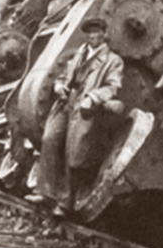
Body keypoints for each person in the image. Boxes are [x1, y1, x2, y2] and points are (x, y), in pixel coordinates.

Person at [29, 16, 125, 216]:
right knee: (49, 139)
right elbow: (64, 74)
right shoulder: (80, 53)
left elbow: (112, 86)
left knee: (74, 154)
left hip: (85, 108)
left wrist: (93, 97)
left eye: (97, 33)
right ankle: (45, 192)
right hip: (65, 103)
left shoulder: (113, 61)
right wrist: (59, 86)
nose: (93, 36)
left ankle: (64, 204)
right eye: (90, 33)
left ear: (104, 35)